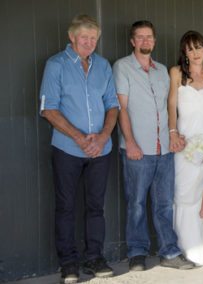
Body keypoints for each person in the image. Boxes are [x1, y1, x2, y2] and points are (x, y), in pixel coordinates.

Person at [39, 14, 119, 284]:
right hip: (67, 149)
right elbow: (48, 109)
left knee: (96, 207)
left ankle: (94, 258)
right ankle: (69, 264)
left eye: (93, 38)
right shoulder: (56, 65)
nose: (89, 42)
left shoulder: (103, 66)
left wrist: (102, 137)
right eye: (84, 37)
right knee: (65, 207)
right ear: (72, 38)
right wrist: (80, 137)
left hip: (101, 149)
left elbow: (112, 105)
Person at [113, 20, 194, 271]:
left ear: (154, 41)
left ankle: (169, 252)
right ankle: (137, 253)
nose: (146, 41)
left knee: (163, 203)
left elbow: (169, 107)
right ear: (132, 41)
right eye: (140, 37)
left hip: (165, 150)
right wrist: (131, 143)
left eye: (149, 37)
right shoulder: (122, 67)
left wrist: (174, 134)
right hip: (138, 149)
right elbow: (121, 108)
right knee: (136, 203)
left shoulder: (162, 71)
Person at [168, 30, 203, 265]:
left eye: (198, 47)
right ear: (184, 52)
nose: (195, 52)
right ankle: (187, 246)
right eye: (190, 48)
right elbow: (171, 105)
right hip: (184, 142)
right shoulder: (176, 73)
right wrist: (173, 133)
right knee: (183, 193)